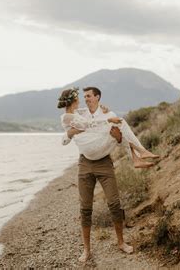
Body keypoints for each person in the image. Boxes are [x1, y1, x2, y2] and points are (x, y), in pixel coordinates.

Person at [58, 86, 158, 263]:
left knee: (114, 203)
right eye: (83, 97)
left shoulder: (106, 112)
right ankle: (87, 250)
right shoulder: (80, 113)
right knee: (85, 208)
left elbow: (118, 140)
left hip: (104, 162)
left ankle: (121, 242)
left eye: (89, 96)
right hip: (85, 163)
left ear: (97, 97)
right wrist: (71, 132)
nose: (85, 99)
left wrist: (117, 135)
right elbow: (69, 131)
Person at [58, 87, 159, 168]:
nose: (81, 101)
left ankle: (137, 159)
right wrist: (108, 120)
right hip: (88, 147)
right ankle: (141, 151)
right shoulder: (67, 117)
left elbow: (88, 112)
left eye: (87, 96)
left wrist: (103, 109)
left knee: (118, 127)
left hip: (93, 143)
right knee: (119, 123)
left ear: (97, 97)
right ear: (73, 101)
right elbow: (87, 124)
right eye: (80, 98)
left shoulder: (77, 112)